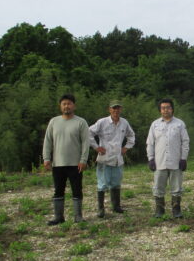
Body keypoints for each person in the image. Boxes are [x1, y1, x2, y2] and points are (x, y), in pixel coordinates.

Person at [43, 94, 90, 225]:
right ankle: (59, 217)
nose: (66, 106)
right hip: (58, 163)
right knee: (58, 190)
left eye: (69, 103)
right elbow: (47, 141)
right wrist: (46, 158)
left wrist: (83, 160)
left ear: (74, 106)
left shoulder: (81, 122)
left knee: (77, 189)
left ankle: (78, 216)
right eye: (64, 104)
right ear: (60, 106)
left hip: (76, 164)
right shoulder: (54, 122)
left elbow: (86, 143)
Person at [89, 100, 136, 218]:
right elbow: (88, 133)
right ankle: (101, 208)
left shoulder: (124, 122)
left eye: (118, 108)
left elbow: (131, 135)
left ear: (121, 109)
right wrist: (96, 147)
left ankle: (116, 206)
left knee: (116, 183)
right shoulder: (102, 122)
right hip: (104, 158)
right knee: (102, 184)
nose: (116, 110)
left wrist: (126, 147)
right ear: (109, 109)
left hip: (117, 159)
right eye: (113, 108)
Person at [146, 98, 190, 218]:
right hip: (159, 162)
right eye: (163, 108)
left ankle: (176, 210)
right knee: (158, 187)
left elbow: (185, 142)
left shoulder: (180, 124)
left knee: (176, 188)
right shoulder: (154, 125)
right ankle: (159, 211)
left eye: (168, 107)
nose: (166, 110)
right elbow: (150, 143)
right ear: (160, 110)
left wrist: (183, 158)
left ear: (172, 109)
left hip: (176, 162)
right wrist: (150, 158)